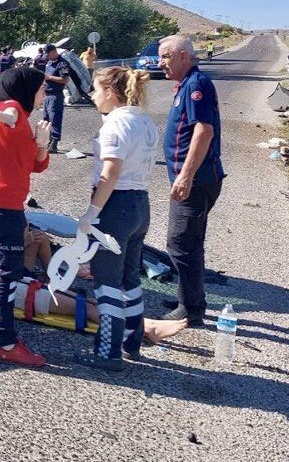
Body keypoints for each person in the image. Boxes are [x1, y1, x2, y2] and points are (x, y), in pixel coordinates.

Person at [73, 67, 163, 370]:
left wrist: (92, 213)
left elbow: (109, 173)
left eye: (97, 91)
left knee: (107, 281)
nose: (93, 96)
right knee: (129, 277)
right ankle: (131, 342)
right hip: (140, 203)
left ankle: (106, 352)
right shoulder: (144, 120)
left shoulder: (116, 124)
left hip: (116, 206)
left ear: (111, 92)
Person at [0, 66, 51, 367]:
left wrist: (41, 145)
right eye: (41, 88)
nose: (45, 94)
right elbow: (8, 115)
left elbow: (36, 166)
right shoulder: (12, 108)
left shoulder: (23, 117)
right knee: (7, 273)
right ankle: (6, 343)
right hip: (1, 205)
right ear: (26, 89)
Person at [0, 245, 186, 345]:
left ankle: (146, 325)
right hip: (29, 298)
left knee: (91, 303)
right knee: (88, 310)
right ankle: (147, 327)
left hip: (30, 289)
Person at [156, 34, 225, 326]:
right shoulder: (187, 84)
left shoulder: (196, 85)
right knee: (187, 241)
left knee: (181, 242)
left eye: (166, 57)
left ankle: (191, 309)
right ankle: (189, 296)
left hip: (197, 182)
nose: (161, 64)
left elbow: (203, 131)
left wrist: (185, 175)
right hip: (195, 179)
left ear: (183, 55)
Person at [41, 44, 70, 153]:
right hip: (47, 95)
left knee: (55, 119)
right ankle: (49, 141)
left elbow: (65, 79)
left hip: (56, 95)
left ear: (54, 51)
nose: (46, 57)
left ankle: (54, 143)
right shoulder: (49, 63)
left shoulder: (62, 64)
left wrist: (49, 77)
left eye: (48, 54)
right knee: (46, 119)